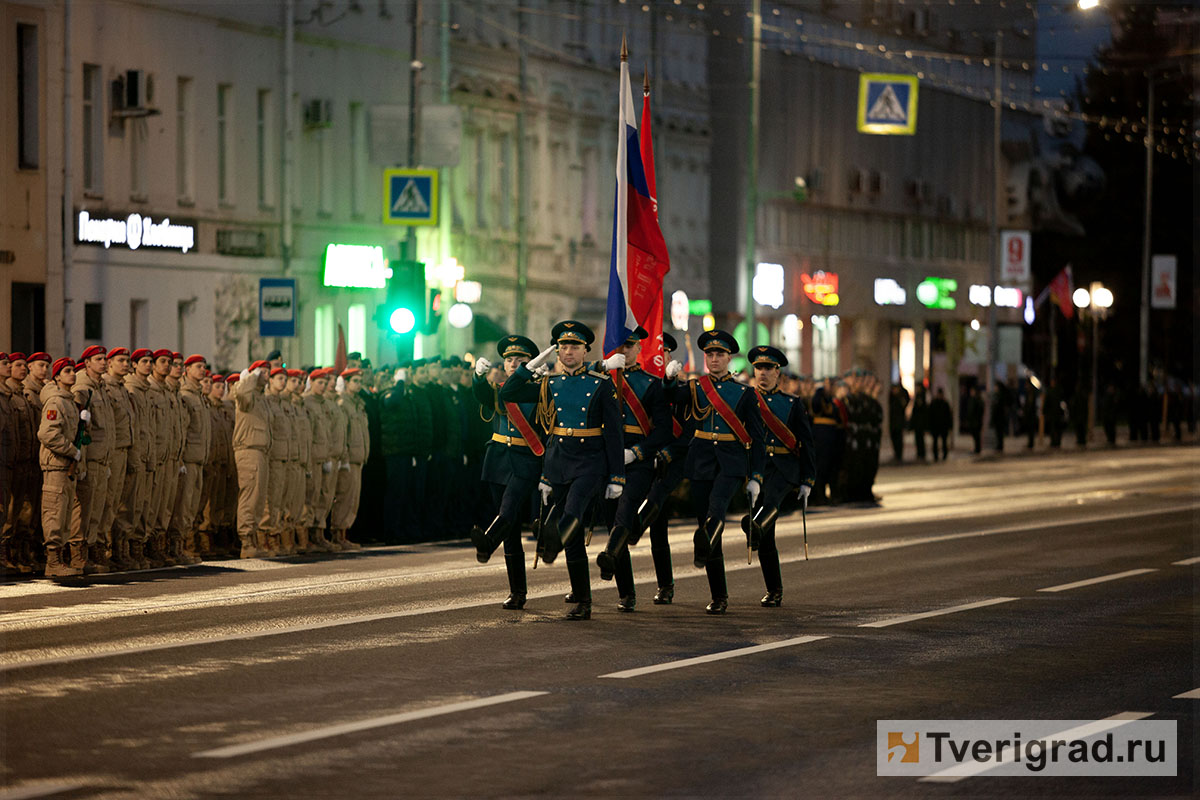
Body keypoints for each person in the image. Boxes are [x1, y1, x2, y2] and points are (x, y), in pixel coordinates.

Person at [499, 321, 625, 621]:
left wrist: (617, 476)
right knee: (572, 533)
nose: (568, 352)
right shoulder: (549, 383)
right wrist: (531, 365)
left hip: (590, 462)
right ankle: (582, 597)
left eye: (574, 347)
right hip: (559, 461)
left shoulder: (600, 384)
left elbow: (615, 434)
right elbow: (509, 392)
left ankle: (579, 591)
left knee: (570, 518)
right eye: (563, 347)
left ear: (585, 352)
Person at [667, 329, 766, 614]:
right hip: (701, 462)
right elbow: (670, 400)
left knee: (716, 511)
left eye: (719, 354)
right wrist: (668, 379)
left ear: (728, 357)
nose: (713, 358)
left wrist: (756, 476)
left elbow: (757, 439)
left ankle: (707, 543)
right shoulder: (696, 387)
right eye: (709, 354)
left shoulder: (744, 394)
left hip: (731, 463)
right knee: (708, 526)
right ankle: (719, 595)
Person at [594, 326, 672, 613]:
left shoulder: (651, 385)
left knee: (625, 513)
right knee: (611, 518)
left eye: (629, 346)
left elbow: (663, 430)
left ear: (639, 349)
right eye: (620, 345)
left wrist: (638, 452)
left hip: (637, 461)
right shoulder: (602, 380)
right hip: (607, 458)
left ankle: (609, 556)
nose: (624, 351)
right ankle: (626, 591)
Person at [469, 335, 544, 609]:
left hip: (526, 459)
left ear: (530, 363)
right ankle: (517, 592)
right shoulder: (499, 388)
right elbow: (481, 396)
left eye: (520, 360)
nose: (513, 364)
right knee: (510, 529)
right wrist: (478, 377)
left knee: (509, 510)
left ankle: (488, 542)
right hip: (499, 458)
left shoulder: (539, 388)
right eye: (509, 360)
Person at [740, 346, 816, 607]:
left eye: (768, 369)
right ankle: (774, 589)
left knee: (769, 504)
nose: (763, 373)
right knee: (766, 536)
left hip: (784, 468)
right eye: (759, 368)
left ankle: (753, 525)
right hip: (758, 467)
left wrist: (808, 479)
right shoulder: (745, 399)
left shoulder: (792, 403)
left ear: (778, 372)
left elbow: (806, 442)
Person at [629, 332, 690, 604]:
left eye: (663, 351)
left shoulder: (680, 387)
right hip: (643, 456)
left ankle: (665, 584)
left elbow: (688, 430)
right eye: (654, 350)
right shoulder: (642, 385)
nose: (659, 356)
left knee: (658, 522)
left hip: (670, 459)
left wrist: (666, 452)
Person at [69, 345, 115, 574]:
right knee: (84, 509)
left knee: (97, 508)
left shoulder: (100, 388)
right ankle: (78, 555)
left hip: (102, 457)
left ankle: (91, 549)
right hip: (90, 457)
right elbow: (81, 431)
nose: (104, 362)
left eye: (104, 358)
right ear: (87, 363)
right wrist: (82, 462)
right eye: (98, 359)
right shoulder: (82, 389)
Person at [39, 357, 85, 578]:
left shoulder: (69, 401)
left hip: (67, 465)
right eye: (66, 371)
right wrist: (70, 450)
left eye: (73, 370)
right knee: (54, 513)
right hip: (56, 464)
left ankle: (61, 558)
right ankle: (52, 561)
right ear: (57, 376)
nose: (72, 374)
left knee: (65, 513)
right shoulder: (56, 402)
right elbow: (47, 434)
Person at [169, 354, 210, 564]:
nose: (202, 370)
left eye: (203, 367)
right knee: (183, 505)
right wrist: (181, 458)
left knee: (192, 505)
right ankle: (177, 546)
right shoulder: (186, 395)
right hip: (188, 458)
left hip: (198, 458)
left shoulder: (198, 395)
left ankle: (184, 545)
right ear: (188, 370)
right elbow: (183, 430)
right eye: (198, 367)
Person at [233, 360, 272, 558]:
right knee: (250, 496)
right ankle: (246, 541)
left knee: (259, 498)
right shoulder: (246, 395)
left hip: (261, 451)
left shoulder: (261, 398)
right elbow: (240, 393)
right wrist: (250, 376)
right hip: (248, 450)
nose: (266, 375)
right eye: (263, 372)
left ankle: (254, 538)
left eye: (267, 372)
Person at [330, 368, 368, 550]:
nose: (359, 385)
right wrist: (344, 456)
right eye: (355, 381)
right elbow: (343, 433)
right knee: (345, 497)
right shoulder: (343, 403)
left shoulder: (357, 403)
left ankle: (344, 533)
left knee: (353, 499)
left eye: (360, 381)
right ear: (346, 382)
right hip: (349, 457)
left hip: (358, 457)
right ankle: (338, 534)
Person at [929, 387, 952, 461]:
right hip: (935, 426)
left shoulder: (945, 403)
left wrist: (949, 426)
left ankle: (944, 455)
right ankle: (936, 456)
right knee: (935, 442)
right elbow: (930, 416)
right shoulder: (934, 403)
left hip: (943, 426)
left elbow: (949, 416)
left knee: (944, 442)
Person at [888, 383, 909, 462]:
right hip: (893, 420)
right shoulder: (891, 395)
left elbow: (905, 403)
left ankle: (899, 454)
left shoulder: (902, 394)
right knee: (893, 437)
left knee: (899, 438)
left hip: (899, 420)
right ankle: (896, 453)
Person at [910, 386, 929, 462]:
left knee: (920, 439)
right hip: (917, 424)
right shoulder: (918, 397)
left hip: (920, 424)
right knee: (918, 439)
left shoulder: (921, 398)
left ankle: (921, 453)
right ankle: (919, 453)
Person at [966, 385, 985, 454]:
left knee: (977, 435)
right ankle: (977, 448)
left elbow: (979, 411)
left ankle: (977, 449)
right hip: (973, 421)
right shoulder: (972, 399)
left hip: (976, 421)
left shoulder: (977, 400)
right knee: (975, 435)